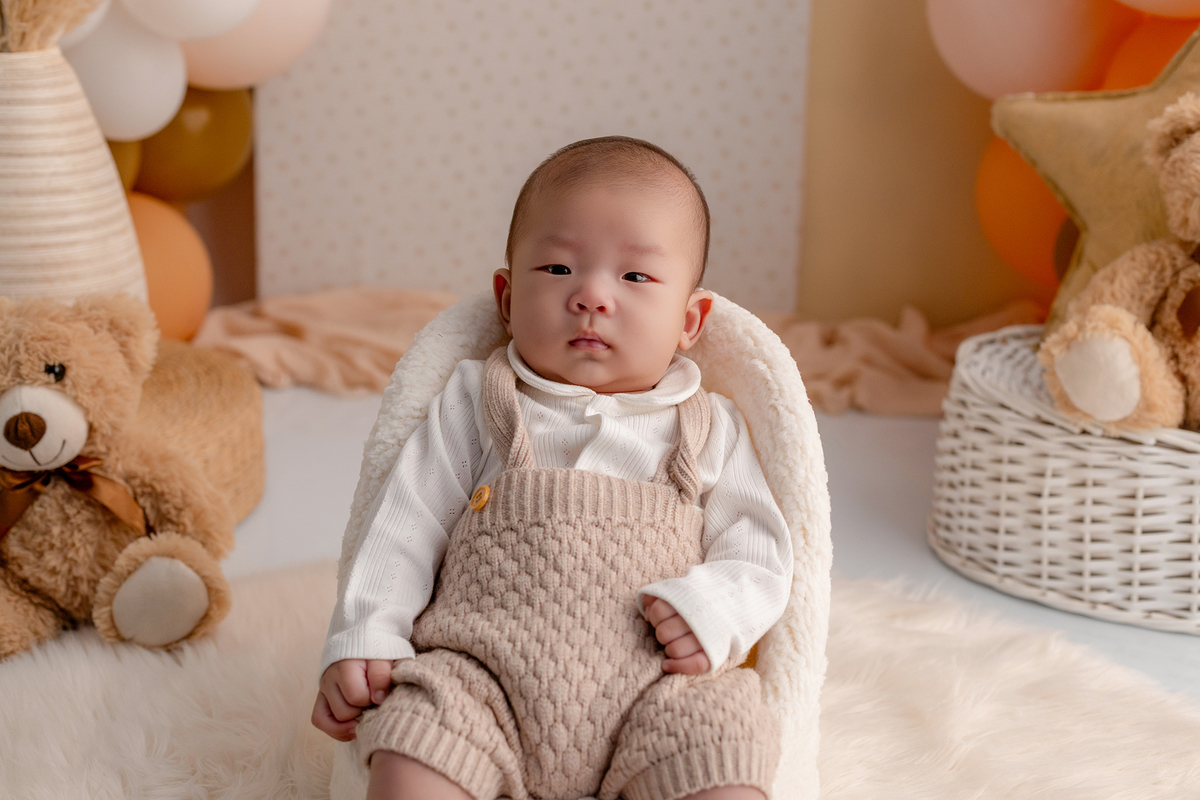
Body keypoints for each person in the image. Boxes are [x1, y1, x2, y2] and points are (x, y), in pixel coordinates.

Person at [312, 136, 793, 800]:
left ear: (690, 319)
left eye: (635, 277)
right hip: (482, 683)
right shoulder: (478, 401)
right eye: (559, 269)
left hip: (658, 692)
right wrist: (368, 633)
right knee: (410, 751)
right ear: (506, 299)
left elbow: (761, 552)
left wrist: (712, 609)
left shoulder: (709, 428)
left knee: (726, 748)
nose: (593, 295)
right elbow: (403, 524)